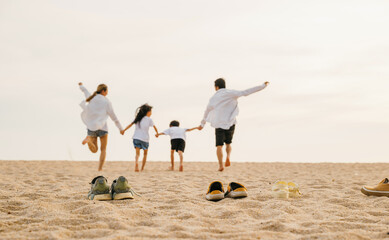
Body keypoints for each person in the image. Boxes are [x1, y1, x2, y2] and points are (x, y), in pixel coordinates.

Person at [198, 78, 269, 171]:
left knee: (219, 146)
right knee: (228, 143)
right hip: (231, 122)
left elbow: (207, 111)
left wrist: (202, 124)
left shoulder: (213, 98)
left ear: (216, 87)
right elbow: (246, 92)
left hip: (219, 123)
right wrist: (263, 86)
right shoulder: (231, 93)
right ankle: (228, 156)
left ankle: (220, 165)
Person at [78, 82, 123, 171]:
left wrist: (81, 85)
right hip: (103, 128)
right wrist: (121, 128)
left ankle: (89, 141)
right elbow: (114, 117)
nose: (107, 93)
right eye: (106, 91)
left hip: (91, 127)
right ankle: (100, 168)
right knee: (103, 150)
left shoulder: (91, 98)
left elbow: (85, 91)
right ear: (103, 91)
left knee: (94, 150)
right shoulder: (107, 102)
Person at [122, 104, 159, 172]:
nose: (151, 113)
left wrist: (124, 130)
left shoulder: (138, 118)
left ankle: (136, 164)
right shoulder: (149, 119)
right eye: (150, 111)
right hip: (145, 139)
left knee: (137, 153)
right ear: (147, 112)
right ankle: (142, 168)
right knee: (145, 154)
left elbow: (130, 125)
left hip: (136, 138)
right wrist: (157, 133)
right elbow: (154, 127)